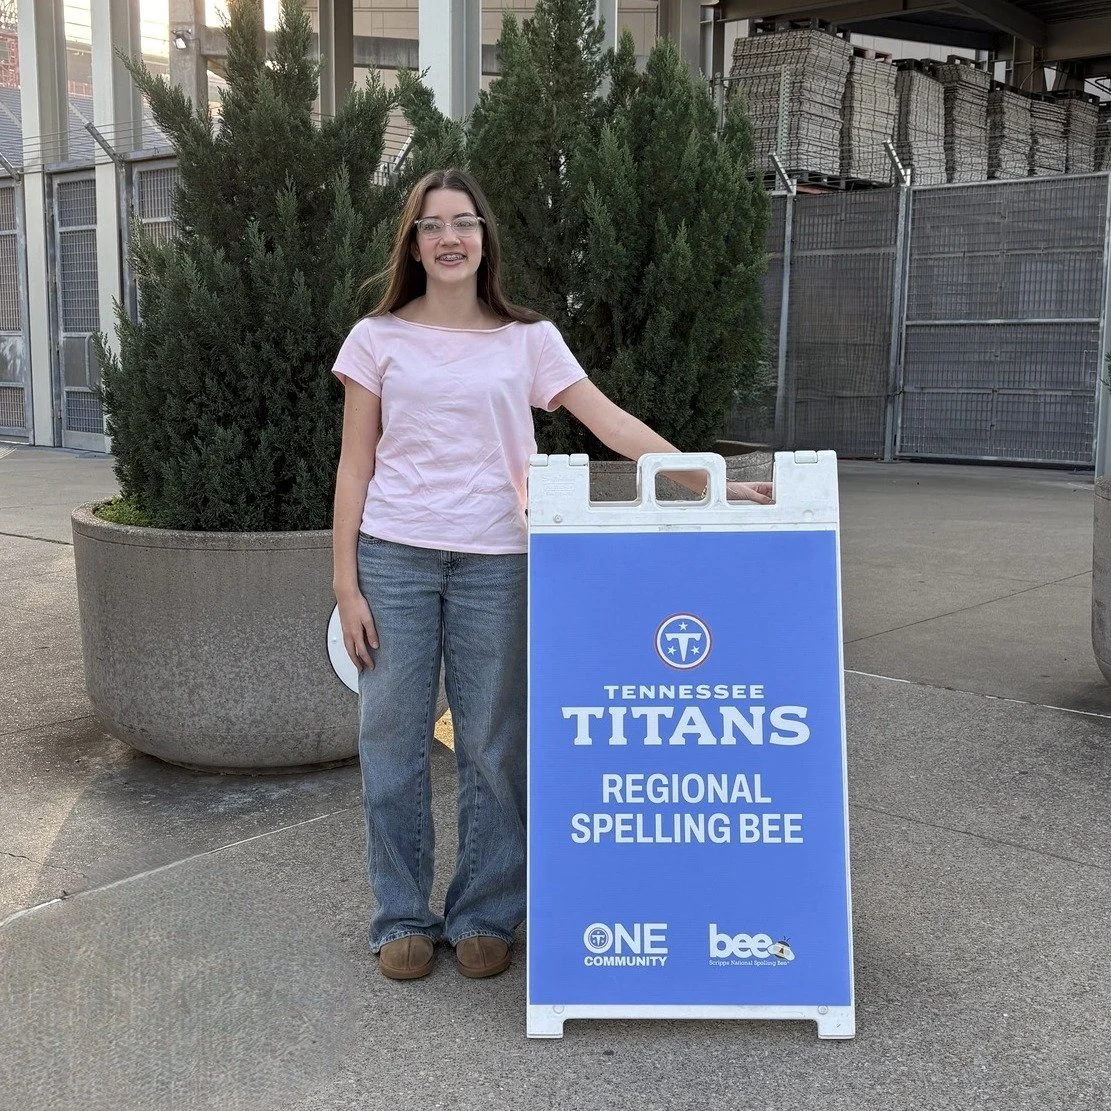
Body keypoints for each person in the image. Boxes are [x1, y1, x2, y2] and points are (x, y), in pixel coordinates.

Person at [331, 167, 772, 982]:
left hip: (500, 560)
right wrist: (346, 584)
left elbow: (608, 422)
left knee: (494, 746)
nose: (450, 237)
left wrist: (707, 479)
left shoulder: (527, 339)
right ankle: (399, 913)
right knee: (388, 740)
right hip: (393, 558)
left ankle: (484, 913)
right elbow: (354, 466)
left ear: (484, 236)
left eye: (464, 221)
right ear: (414, 243)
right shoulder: (377, 337)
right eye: (432, 225)